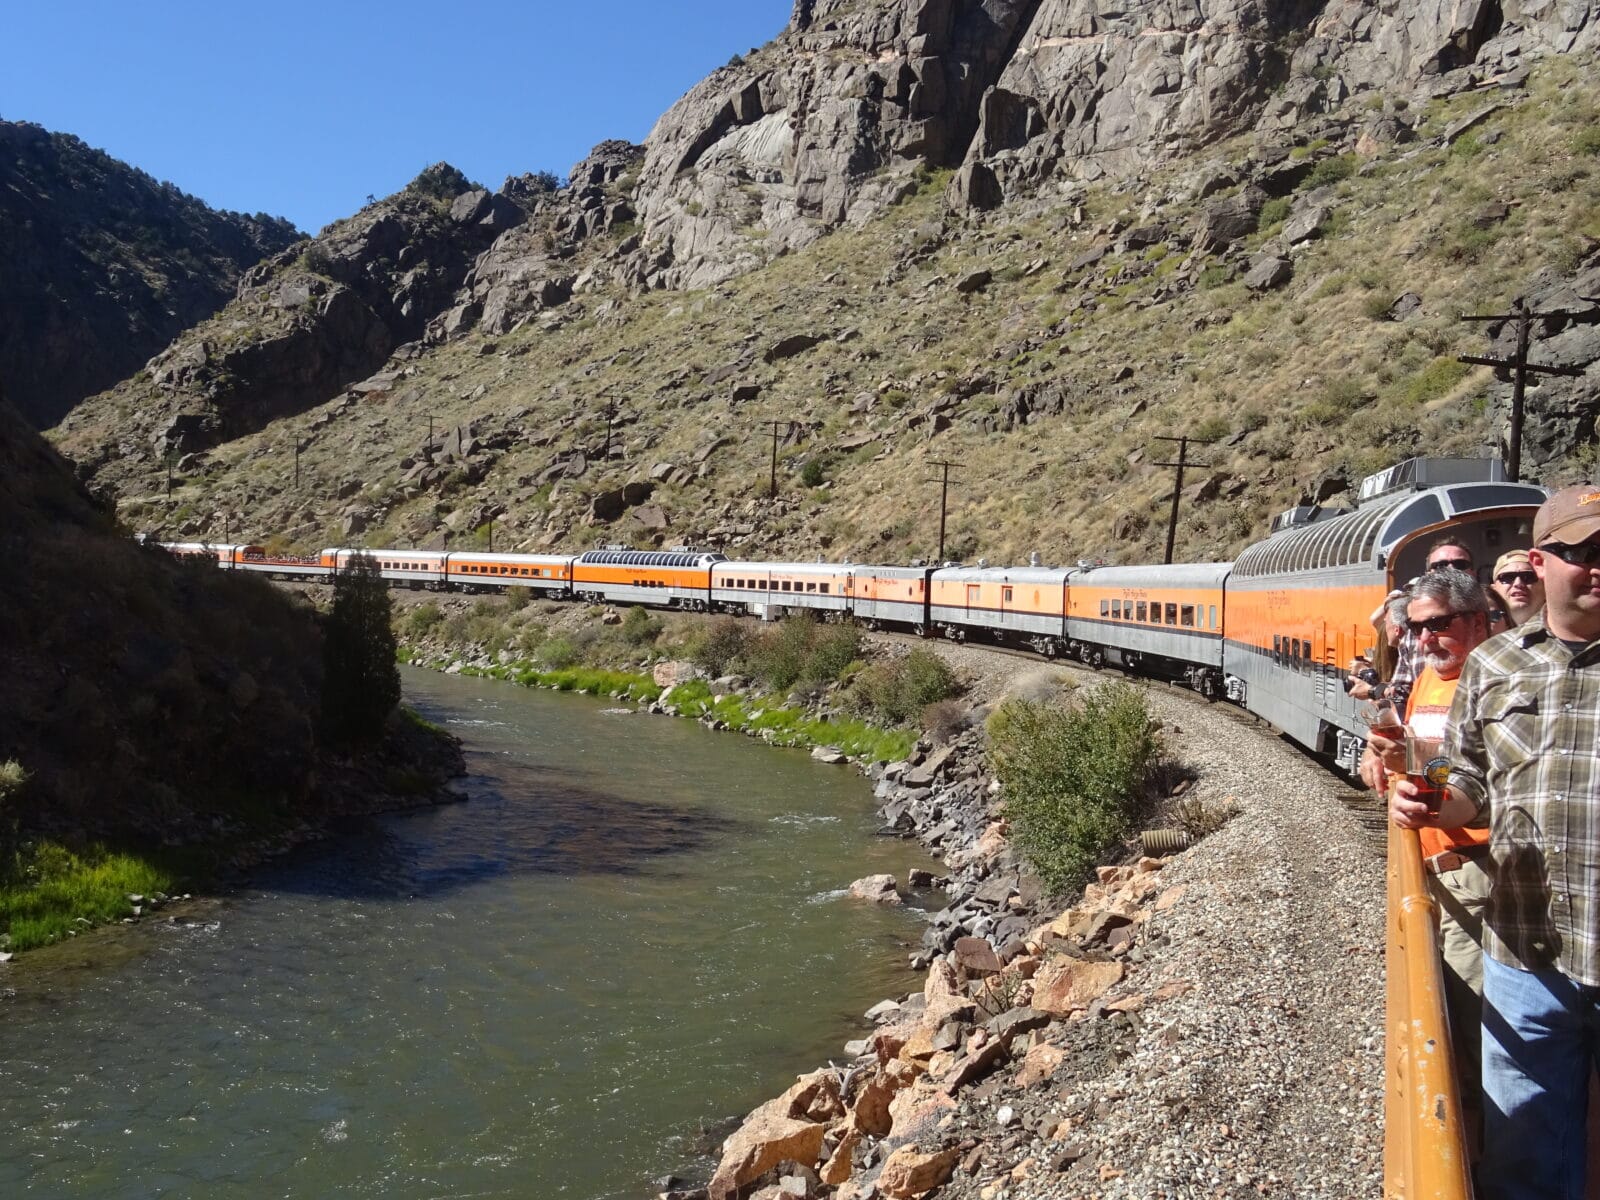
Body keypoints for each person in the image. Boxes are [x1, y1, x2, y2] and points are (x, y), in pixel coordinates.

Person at [1390, 484, 1600, 1199]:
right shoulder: (1494, 666)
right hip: (1526, 954)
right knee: (1523, 1162)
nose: (1596, 565)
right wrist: (1427, 797)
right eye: (1581, 551)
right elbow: (1462, 773)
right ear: (1544, 563)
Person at [1363, 571, 1495, 1100]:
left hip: (1475, 871)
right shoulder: (1428, 680)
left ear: (1478, 619)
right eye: (1417, 628)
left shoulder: (1492, 679)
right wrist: (1383, 758)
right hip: (1434, 869)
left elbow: (1475, 775)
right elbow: (1424, 763)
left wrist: (1411, 761)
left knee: (1472, 1027)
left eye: (1437, 625)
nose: (1423, 640)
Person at [1492, 549, 1545, 627]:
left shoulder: (1562, 632)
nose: (1518, 583)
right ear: (1493, 590)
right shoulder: (1483, 633)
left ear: (1545, 588)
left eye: (1528, 577)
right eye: (1507, 577)